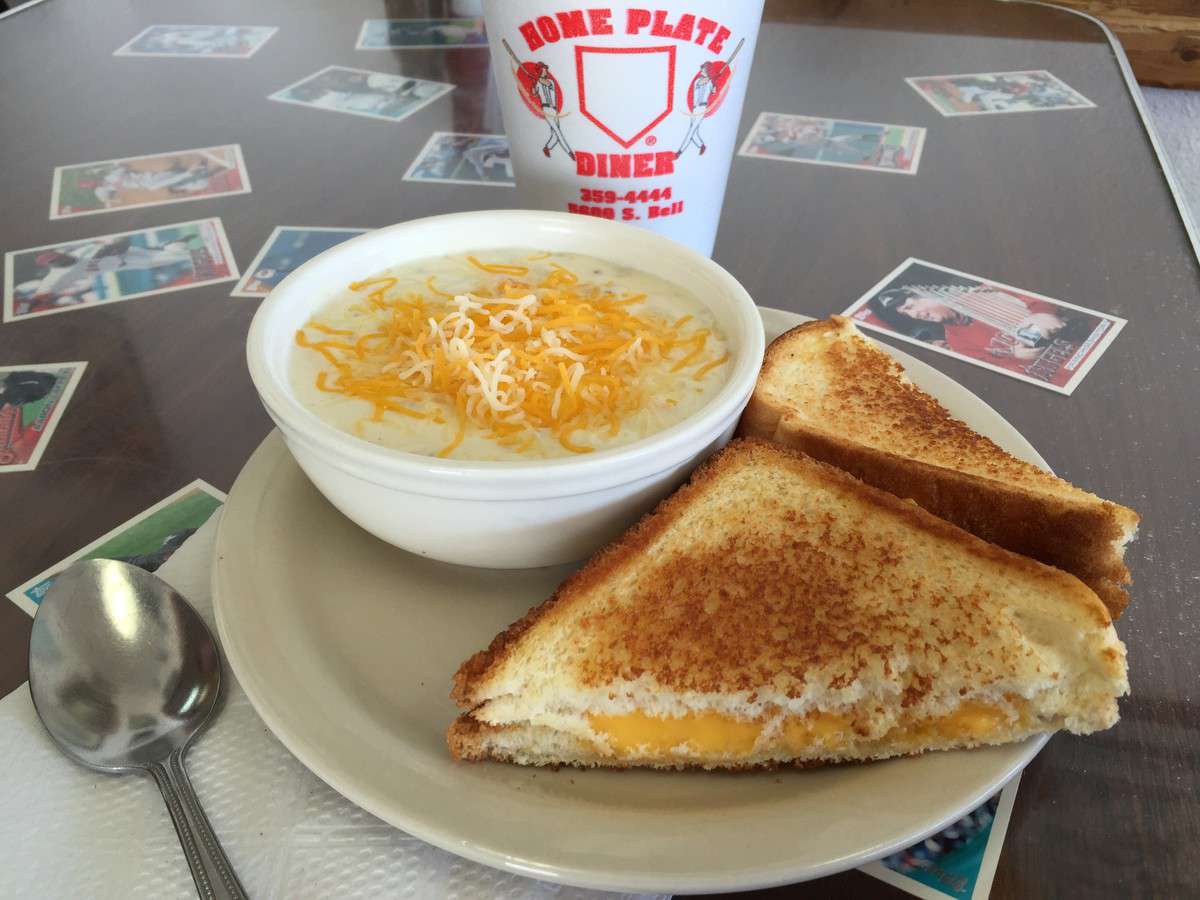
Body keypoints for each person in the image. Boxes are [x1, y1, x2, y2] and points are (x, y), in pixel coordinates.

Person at [867, 285, 1097, 361]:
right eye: (907, 314)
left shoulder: (982, 291)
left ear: (926, 294)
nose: (914, 315)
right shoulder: (957, 343)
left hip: (1092, 334)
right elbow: (1003, 369)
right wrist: (1018, 357)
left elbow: (1036, 296)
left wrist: (1043, 312)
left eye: (911, 306)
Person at [531, 63, 574, 160]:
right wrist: (534, 86)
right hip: (546, 109)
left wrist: (538, 80)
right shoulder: (538, 83)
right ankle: (570, 152)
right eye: (543, 69)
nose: (545, 71)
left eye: (545, 69)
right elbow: (534, 93)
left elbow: (548, 84)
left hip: (554, 109)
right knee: (558, 131)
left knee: (555, 134)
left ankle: (547, 148)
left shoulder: (550, 81)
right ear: (540, 71)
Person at [677, 62, 717, 159]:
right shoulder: (698, 80)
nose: (701, 70)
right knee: (694, 131)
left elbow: (714, 91)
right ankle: (701, 145)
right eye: (702, 68)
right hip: (695, 108)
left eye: (703, 69)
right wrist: (711, 80)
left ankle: (679, 152)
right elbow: (700, 84)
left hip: (702, 108)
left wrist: (714, 84)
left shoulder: (710, 82)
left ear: (707, 70)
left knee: (691, 130)